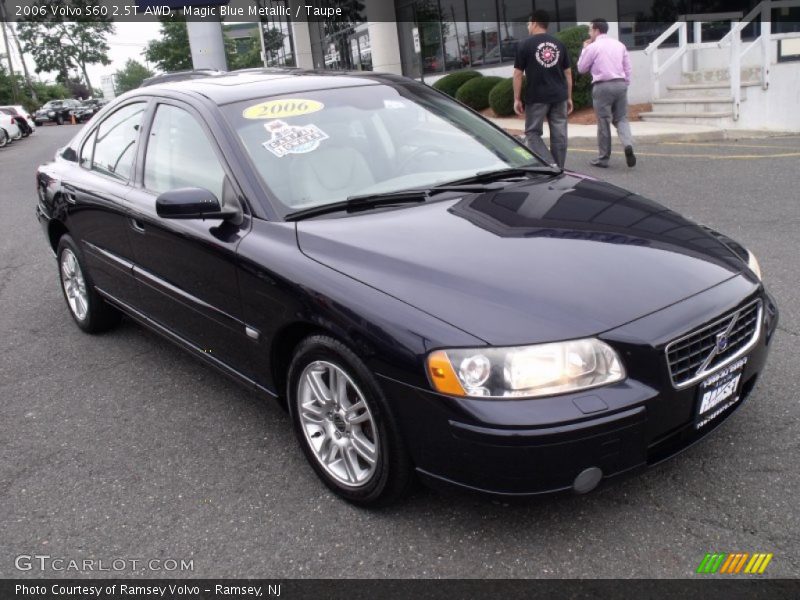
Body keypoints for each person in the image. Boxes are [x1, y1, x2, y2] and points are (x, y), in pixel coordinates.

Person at [513, 10, 573, 169]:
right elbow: (568, 73)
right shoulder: (559, 44)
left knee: (532, 133)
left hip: (537, 97)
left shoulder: (524, 45)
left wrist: (516, 98)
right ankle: (559, 168)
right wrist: (569, 97)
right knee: (559, 135)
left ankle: (550, 163)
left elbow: (518, 74)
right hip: (559, 96)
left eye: (528, 23)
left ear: (534, 22)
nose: (527, 27)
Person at [577, 19, 636, 168]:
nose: (589, 33)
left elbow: (582, 68)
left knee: (603, 122)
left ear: (596, 30)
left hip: (602, 86)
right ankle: (627, 145)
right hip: (620, 83)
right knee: (622, 118)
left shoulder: (593, 47)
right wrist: (625, 83)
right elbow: (628, 67)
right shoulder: (619, 45)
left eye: (590, 30)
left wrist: (584, 49)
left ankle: (603, 158)